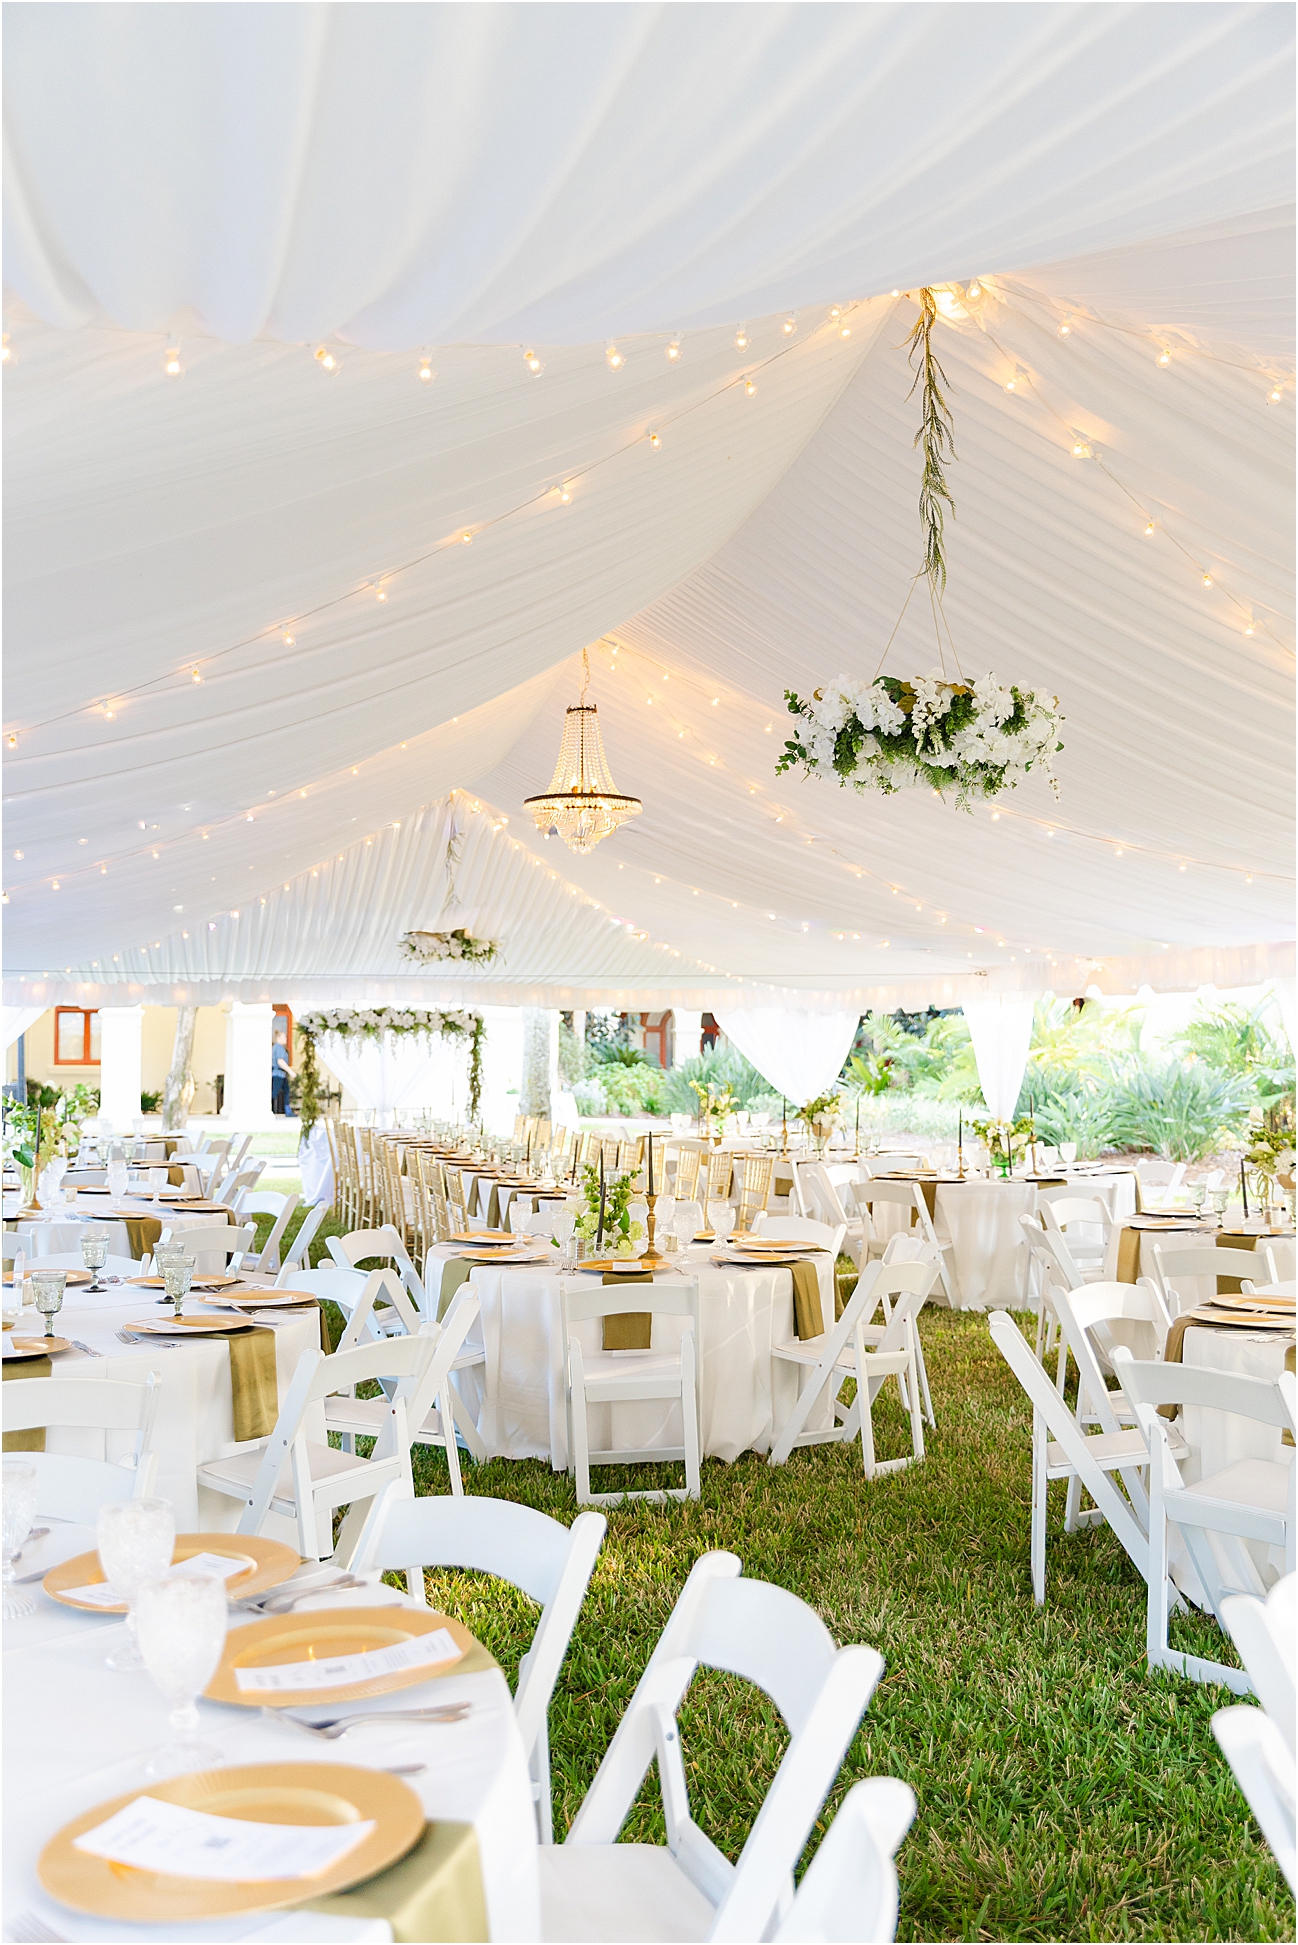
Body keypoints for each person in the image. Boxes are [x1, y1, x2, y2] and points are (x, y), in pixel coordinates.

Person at [270, 1029, 295, 1115]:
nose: (286, 1039)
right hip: (278, 1074)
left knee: (286, 1091)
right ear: (279, 1037)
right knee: (274, 1093)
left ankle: (288, 1111)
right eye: (284, 1037)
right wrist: (290, 1071)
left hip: (281, 1074)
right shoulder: (279, 1048)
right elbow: (280, 1061)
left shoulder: (277, 1047)